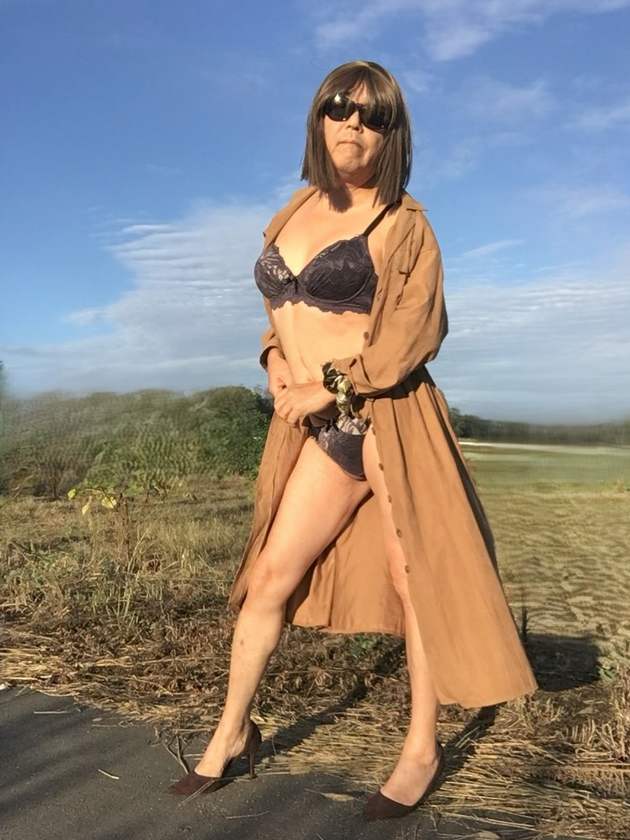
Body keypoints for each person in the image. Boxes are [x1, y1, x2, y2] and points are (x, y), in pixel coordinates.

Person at [169, 60, 538, 822]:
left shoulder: (404, 224)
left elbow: (415, 334)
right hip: (320, 428)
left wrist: (329, 385)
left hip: (387, 418)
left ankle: (421, 748)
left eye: (374, 116)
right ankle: (232, 732)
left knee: (415, 582)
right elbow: (281, 318)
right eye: (340, 107)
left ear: (392, 134)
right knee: (270, 577)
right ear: (319, 116)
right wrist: (275, 362)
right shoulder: (292, 211)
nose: (354, 125)